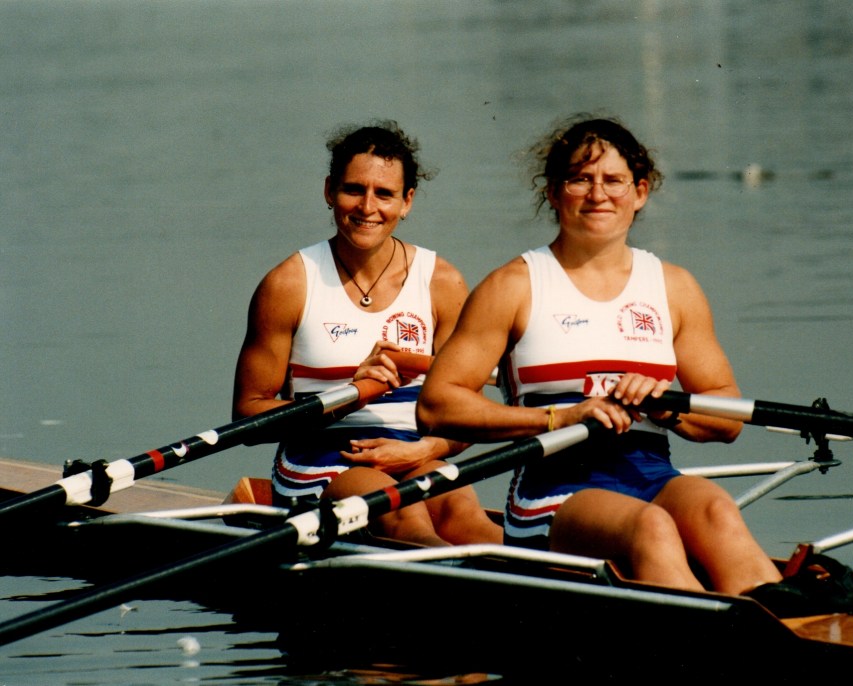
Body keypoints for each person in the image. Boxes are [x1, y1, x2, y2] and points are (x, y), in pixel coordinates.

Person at [417, 114, 783, 594]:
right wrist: (562, 417)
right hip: (552, 490)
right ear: (553, 192)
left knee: (717, 509)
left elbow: (727, 416)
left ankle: (788, 622)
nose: (598, 194)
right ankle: (722, 632)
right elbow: (437, 405)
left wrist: (666, 409)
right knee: (650, 526)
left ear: (640, 192)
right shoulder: (513, 286)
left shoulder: (675, 288)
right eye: (580, 179)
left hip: (650, 472)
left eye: (613, 180)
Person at [233, 120, 501, 547]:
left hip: (411, 452)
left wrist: (425, 450)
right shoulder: (289, 284)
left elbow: (466, 412)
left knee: (467, 518)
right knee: (403, 517)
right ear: (329, 191)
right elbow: (248, 416)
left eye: (384, 194)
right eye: (354, 189)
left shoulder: (441, 282)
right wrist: (351, 396)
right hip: (321, 457)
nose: (367, 207)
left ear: (407, 201)